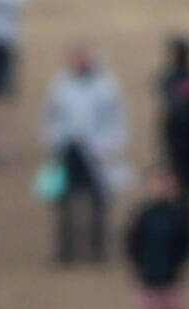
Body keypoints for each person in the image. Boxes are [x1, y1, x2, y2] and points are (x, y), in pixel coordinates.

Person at [40, 45, 125, 264]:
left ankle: (98, 248)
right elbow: (50, 116)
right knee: (63, 201)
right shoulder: (60, 85)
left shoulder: (107, 86)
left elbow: (116, 119)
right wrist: (54, 142)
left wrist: (110, 145)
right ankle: (65, 249)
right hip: (67, 149)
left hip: (97, 149)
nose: (81, 63)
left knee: (99, 202)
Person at [122, 169, 189, 309]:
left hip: (172, 277)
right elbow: (132, 243)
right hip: (148, 276)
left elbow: (188, 243)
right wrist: (140, 266)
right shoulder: (145, 214)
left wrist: (177, 264)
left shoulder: (180, 215)